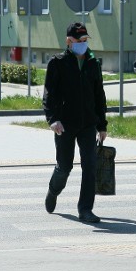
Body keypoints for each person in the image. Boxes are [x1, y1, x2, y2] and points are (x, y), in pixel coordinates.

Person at [43, 22, 108, 223]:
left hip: (88, 123)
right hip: (64, 124)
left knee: (89, 166)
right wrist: (53, 120)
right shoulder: (58, 63)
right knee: (65, 166)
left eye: (85, 40)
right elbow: (49, 96)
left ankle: (85, 209)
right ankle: (54, 190)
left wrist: (102, 125)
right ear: (69, 42)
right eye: (79, 40)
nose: (82, 44)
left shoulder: (93, 63)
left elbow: (99, 95)